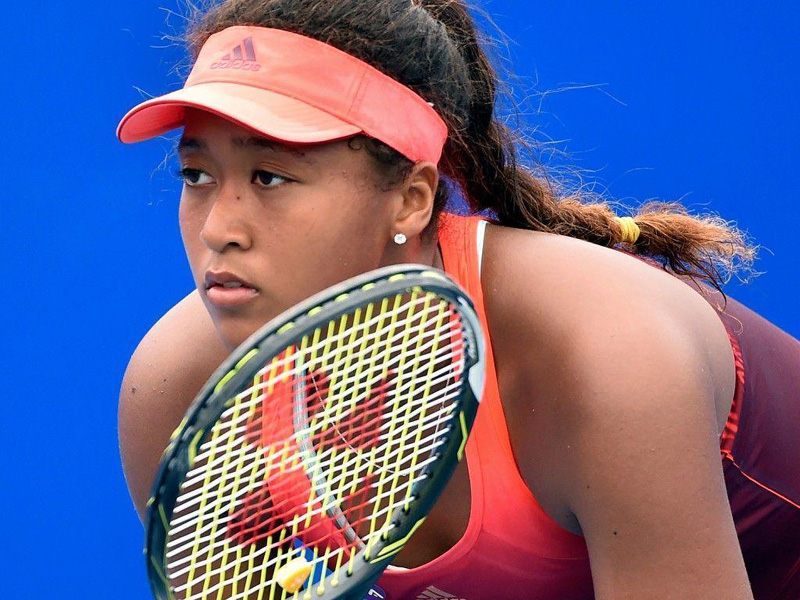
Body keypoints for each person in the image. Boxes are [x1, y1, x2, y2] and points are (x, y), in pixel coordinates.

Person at [116, 1, 800, 598]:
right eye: (196, 174)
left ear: (411, 199)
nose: (218, 229)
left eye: (270, 176)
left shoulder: (608, 358)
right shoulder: (181, 393)